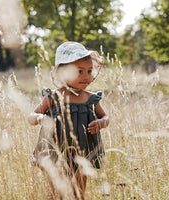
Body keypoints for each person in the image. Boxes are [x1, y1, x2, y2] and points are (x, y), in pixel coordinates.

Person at [28, 41, 109, 200]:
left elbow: (105, 117)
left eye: (89, 71)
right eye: (80, 71)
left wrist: (101, 123)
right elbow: (31, 116)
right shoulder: (53, 97)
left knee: (78, 191)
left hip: (82, 152)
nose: (86, 76)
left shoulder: (89, 98)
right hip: (56, 151)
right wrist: (39, 117)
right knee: (54, 191)